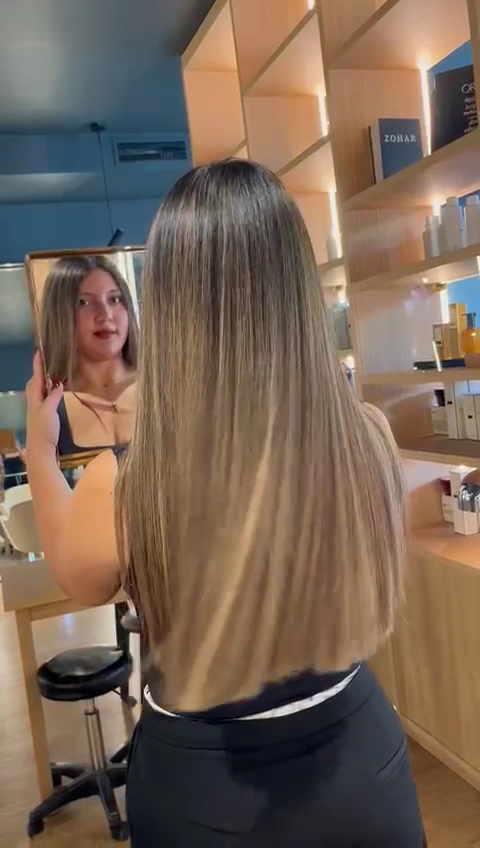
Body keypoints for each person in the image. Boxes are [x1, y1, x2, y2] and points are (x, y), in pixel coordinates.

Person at [26, 160, 425, 847]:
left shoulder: (124, 483)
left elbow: (78, 577)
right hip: (364, 763)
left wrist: (38, 451)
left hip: (207, 794)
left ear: (169, 305)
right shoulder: (369, 435)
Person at [38, 255, 138, 456]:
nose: (105, 315)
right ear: (60, 316)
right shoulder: (51, 410)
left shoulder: (165, 388)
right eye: (84, 302)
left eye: (114, 299)